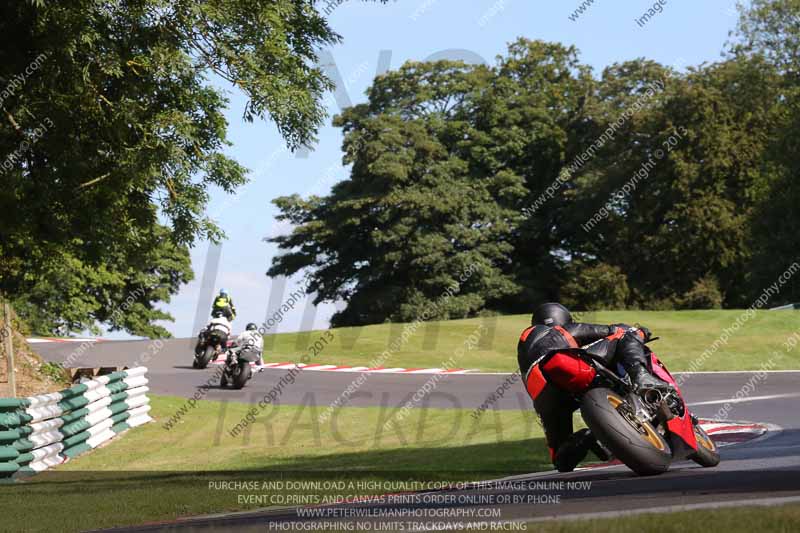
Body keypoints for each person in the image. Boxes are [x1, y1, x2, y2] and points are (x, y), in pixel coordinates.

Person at [517, 302, 669, 472]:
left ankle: (587, 436)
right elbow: (611, 331)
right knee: (626, 335)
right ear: (564, 319)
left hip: (544, 398)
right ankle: (642, 377)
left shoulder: (525, 345)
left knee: (561, 459)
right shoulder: (558, 331)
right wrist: (638, 332)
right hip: (564, 364)